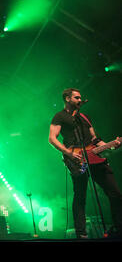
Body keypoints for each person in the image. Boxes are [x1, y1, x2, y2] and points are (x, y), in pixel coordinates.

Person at [49, 88, 122, 239]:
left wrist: (111, 144)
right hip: (76, 158)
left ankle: (119, 228)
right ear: (67, 99)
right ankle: (81, 233)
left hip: (95, 159)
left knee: (115, 193)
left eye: (80, 97)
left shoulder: (85, 117)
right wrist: (69, 153)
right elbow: (52, 138)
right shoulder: (60, 116)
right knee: (80, 196)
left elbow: (95, 139)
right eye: (76, 97)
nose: (80, 100)